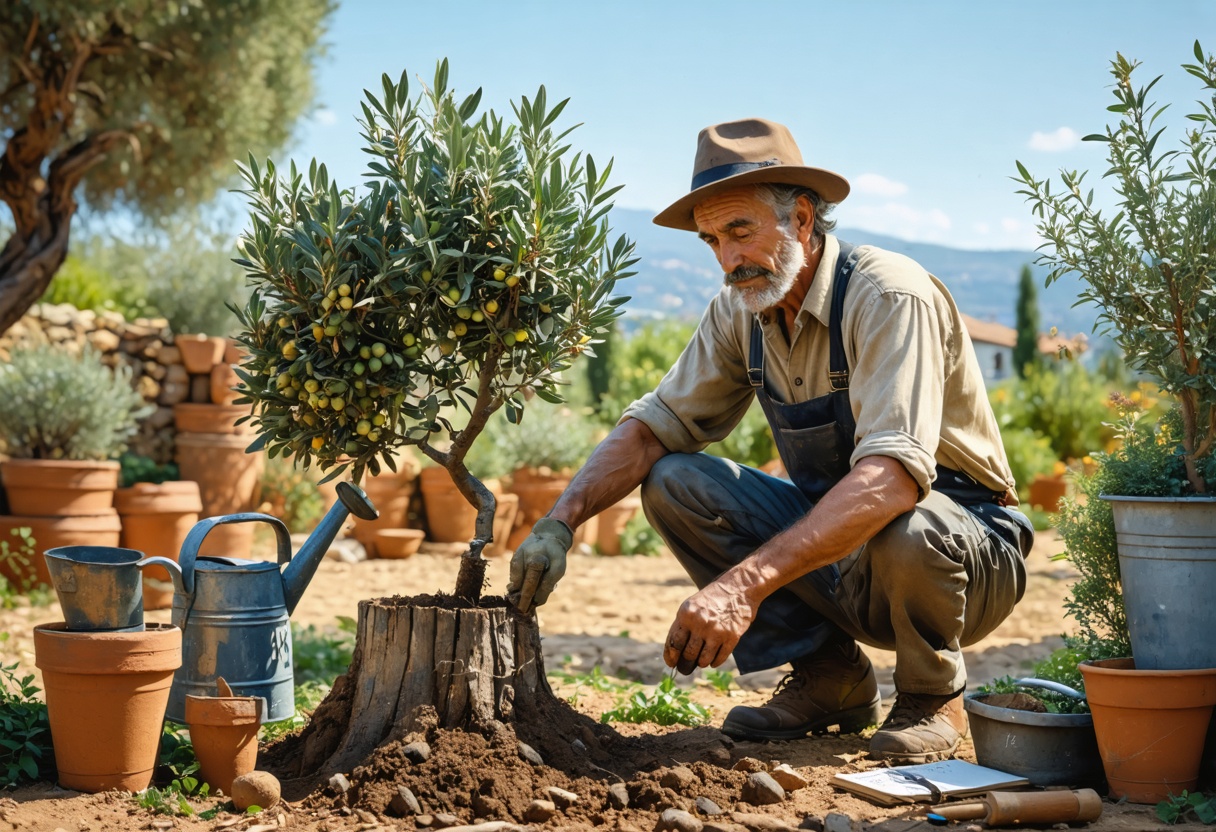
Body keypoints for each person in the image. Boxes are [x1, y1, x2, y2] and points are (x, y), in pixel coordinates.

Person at [506, 118, 1033, 763]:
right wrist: (559, 523)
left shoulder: (887, 294)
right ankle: (830, 678)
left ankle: (932, 696)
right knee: (676, 482)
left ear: (802, 220)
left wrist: (740, 587)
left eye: (740, 231)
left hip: (964, 549)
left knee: (906, 525)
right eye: (712, 241)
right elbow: (652, 429)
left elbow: (894, 478)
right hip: (844, 549)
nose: (728, 260)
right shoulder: (743, 308)